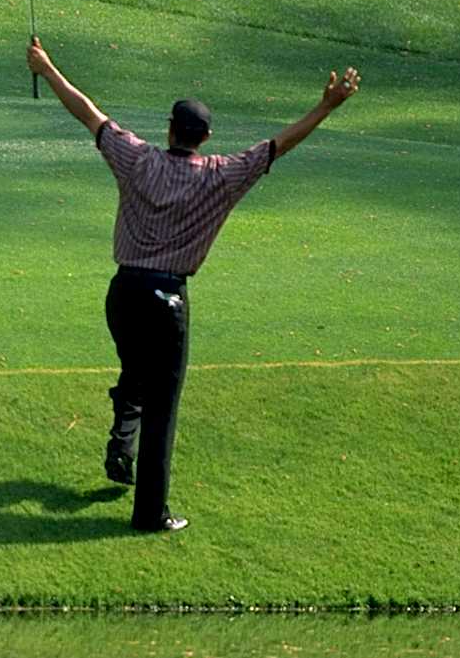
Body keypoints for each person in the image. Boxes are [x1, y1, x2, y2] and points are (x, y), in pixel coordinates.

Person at [26, 36, 359, 532]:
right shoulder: (221, 176)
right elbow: (278, 146)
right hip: (166, 299)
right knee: (163, 404)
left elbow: (88, 113)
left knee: (137, 371)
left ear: (170, 130)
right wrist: (326, 106)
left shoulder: (137, 158)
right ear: (204, 137)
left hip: (122, 295)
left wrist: (47, 67)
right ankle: (149, 515)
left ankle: (123, 432)